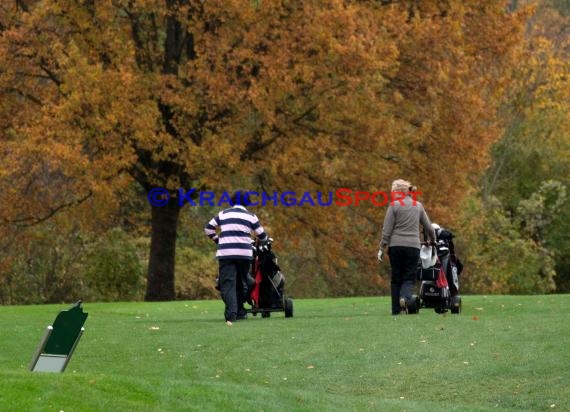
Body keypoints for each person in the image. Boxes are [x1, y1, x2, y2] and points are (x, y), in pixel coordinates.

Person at [204, 190, 268, 326]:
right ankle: (239, 311)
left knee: (228, 283)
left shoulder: (223, 214)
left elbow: (208, 229)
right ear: (247, 201)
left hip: (226, 253)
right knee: (241, 282)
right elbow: (263, 236)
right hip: (244, 255)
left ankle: (232, 314)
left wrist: (218, 240)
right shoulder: (251, 216)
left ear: (232, 201)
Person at [378, 179, 436, 315]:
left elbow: (386, 230)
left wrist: (381, 248)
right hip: (413, 247)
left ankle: (395, 310)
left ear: (399, 192)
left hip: (395, 247)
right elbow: (429, 228)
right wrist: (433, 240)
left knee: (396, 278)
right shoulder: (418, 206)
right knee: (409, 277)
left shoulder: (393, 206)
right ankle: (404, 298)